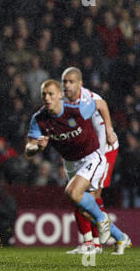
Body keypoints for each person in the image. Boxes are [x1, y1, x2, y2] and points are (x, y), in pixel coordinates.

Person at [26, 79, 120, 248]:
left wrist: (109, 129)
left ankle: (99, 224)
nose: (47, 98)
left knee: (73, 192)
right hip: (71, 162)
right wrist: (36, 147)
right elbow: (28, 149)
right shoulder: (39, 119)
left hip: (92, 157)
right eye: (44, 95)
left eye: (51, 94)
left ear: (60, 95)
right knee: (79, 202)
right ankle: (104, 234)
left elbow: (101, 104)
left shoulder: (77, 110)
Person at [61, 67, 131, 255]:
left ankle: (96, 244)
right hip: (84, 154)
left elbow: (102, 104)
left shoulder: (88, 98)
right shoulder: (62, 101)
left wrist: (109, 129)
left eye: (70, 81)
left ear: (79, 83)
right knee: (83, 198)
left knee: (89, 197)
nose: (66, 85)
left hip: (104, 150)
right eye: (64, 81)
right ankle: (113, 239)